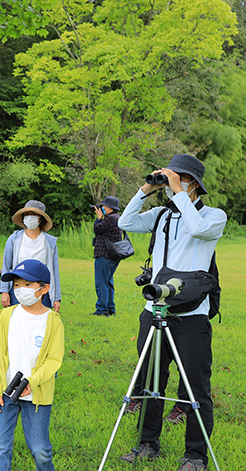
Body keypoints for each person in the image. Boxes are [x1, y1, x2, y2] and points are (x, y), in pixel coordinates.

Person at [118, 154, 226, 471]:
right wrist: (145, 189)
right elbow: (125, 222)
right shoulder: (162, 216)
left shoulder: (213, 216)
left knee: (195, 386)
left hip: (192, 316)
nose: (173, 184)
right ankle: (147, 444)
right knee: (151, 381)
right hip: (154, 308)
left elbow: (198, 230)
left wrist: (179, 192)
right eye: (170, 177)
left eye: (180, 178)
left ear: (194, 184)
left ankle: (195, 455)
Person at [0, 259, 64, 471]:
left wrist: (33, 381)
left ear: (44, 288)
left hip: (37, 394)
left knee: (40, 450)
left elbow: (54, 360)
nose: (20, 289)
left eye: (28, 284)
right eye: (16, 285)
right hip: (5, 392)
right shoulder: (5, 316)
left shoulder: (53, 321)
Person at [1, 200, 61, 312]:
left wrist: (56, 298)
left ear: (40, 219)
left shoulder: (50, 242)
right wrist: (4, 292)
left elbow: (54, 271)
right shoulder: (14, 239)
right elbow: (6, 266)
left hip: (41, 289)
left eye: (33, 214)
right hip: (19, 289)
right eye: (27, 215)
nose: (30, 217)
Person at [92, 196, 123, 317]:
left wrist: (99, 218)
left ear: (109, 208)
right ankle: (110, 308)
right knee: (108, 282)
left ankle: (102, 310)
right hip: (112, 256)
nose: (102, 208)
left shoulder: (110, 218)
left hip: (104, 255)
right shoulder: (117, 218)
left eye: (104, 206)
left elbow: (97, 228)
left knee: (102, 283)